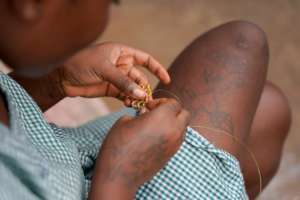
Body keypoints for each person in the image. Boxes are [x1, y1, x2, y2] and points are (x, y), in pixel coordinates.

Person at [0, 0, 291, 199]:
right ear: (32, 4)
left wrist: (52, 82)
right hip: (111, 187)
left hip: (58, 162)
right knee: (241, 43)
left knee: (269, 111)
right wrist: (120, 175)